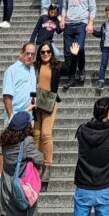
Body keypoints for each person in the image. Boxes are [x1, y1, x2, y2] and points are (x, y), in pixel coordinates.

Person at [34, 40, 79, 183]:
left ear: (52, 53)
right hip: (35, 103)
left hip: (49, 103)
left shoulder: (57, 66)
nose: (46, 54)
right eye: (43, 52)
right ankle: (37, 164)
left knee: (46, 134)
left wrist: (74, 56)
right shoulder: (35, 66)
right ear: (39, 53)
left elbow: (71, 70)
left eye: (48, 52)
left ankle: (47, 166)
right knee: (36, 134)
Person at [60, 0, 96, 90]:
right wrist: (63, 19)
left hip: (81, 23)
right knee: (67, 52)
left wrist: (90, 23)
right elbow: (64, 6)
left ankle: (81, 68)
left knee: (79, 48)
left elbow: (92, 9)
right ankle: (71, 76)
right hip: (69, 23)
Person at [2, 42, 37, 117]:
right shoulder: (12, 70)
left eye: (32, 54)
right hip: (16, 116)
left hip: (29, 116)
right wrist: (11, 117)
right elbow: (7, 95)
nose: (30, 56)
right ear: (21, 53)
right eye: (27, 53)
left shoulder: (32, 69)